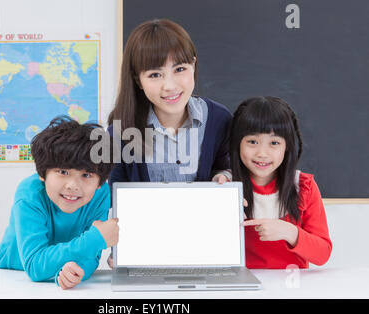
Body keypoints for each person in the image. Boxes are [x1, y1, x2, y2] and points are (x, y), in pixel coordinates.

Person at [0, 116, 119, 289]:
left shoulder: (100, 194)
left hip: (53, 281)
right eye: (63, 171)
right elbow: (34, 265)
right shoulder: (29, 193)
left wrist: (75, 273)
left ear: (100, 181)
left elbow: (90, 258)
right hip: (8, 277)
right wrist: (95, 239)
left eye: (86, 175)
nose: (72, 186)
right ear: (43, 173)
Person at [107, 18, 232, 186]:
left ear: (193, 65)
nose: (170, 86)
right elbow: (114, 195)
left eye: (180, 69)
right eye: (155, 75)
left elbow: (226, 168)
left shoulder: (219, 119)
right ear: (138, 80)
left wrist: (224, 176)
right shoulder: (119, 131)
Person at [228, 96, 332, 269]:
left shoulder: (304, 187)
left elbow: (322, 254)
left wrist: (289, 232)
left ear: (287, 147)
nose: (262, 153)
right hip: (244, 287)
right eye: (252, 142)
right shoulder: (227, 186)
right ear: (238, 144)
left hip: (293, 287)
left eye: (274, 143)